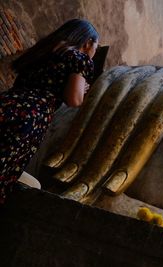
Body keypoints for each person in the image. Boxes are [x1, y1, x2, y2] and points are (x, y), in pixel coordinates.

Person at [0, 18, 99, 204]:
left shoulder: (45, 50)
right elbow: (74, 100)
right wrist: (82, 87)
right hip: (31, 116)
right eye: (96, 47)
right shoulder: (80, 58)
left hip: (9, 102)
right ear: (87, 43)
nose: (94, 52)